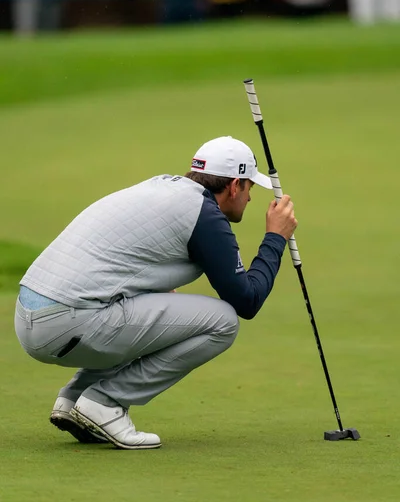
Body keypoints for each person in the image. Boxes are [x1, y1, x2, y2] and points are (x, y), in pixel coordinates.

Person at [15, 136, 297, 450]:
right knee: (223, 321)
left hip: (31, 319)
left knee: (164, 309)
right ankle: (105, 402)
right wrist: (275, 237)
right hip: (68, 323)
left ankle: (75, 398)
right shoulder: (205, 217)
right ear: (234, 186)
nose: (249, 198)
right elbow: (246, 301)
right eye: (249, 189)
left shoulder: (161, 188)